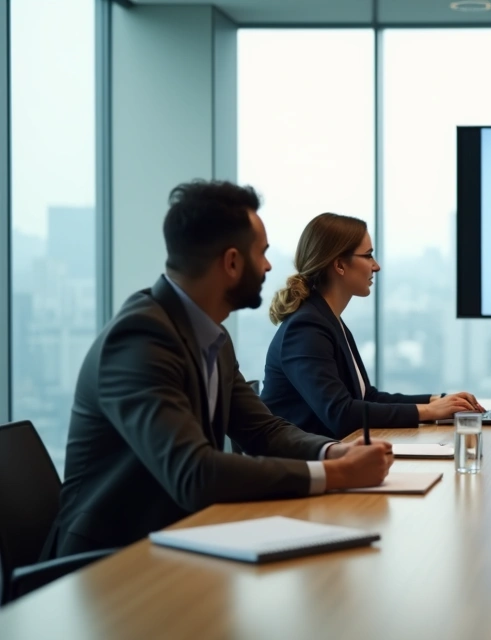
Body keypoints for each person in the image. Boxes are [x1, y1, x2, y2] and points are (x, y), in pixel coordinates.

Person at [45, 181, 393, 558]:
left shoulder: (213, 337)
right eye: (261, 253)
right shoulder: (140, 339)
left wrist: (333, 453)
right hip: (109, 561)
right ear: (231, 262)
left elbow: (264, 430)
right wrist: (336, 476)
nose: (269, 266)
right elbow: (194, 472)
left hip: (181, 540)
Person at [260, 212, 482, 439]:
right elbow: (341, 414)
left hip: (333, 456)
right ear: (339, 265)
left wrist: (435, 400)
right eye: (368, 256)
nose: (376, 266)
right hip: (303, 467)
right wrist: (428, 411)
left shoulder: (328, 319)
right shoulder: (305, 329)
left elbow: (367, 398)